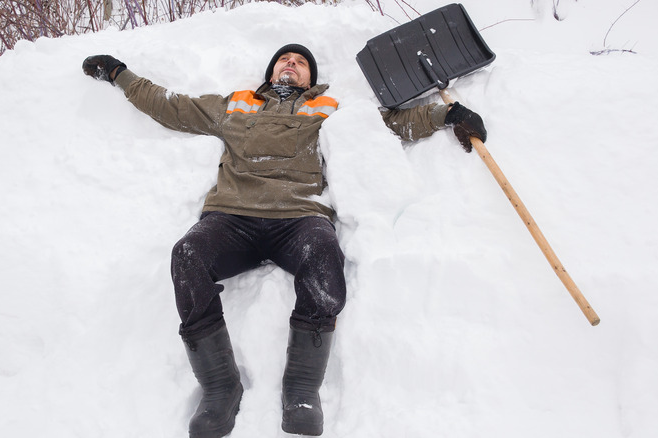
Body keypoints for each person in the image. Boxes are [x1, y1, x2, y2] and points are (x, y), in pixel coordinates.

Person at [82, 44, 486, 438]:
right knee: (187, 255)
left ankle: (302, 389)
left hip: (299, 217)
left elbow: (392, 123)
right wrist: (121, 74)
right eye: (283, 60)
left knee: (325, 255)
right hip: (232, 217)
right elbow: (170, 106)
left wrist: (447, 113)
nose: (290, 64)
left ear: (311, 76)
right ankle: (220, 387)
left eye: (300, 62)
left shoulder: (330, 107)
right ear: (271, 72)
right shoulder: (234, 104)